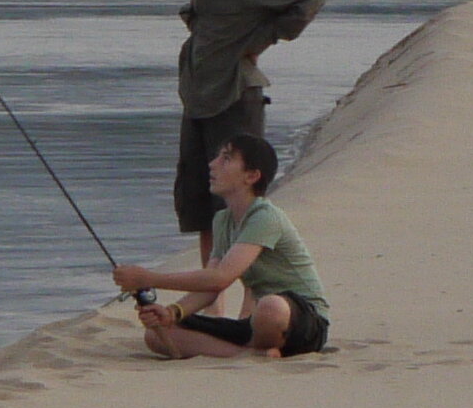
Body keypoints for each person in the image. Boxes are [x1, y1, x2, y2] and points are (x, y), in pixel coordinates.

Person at [171, 0, 320, 251]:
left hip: (235, 97)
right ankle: (211, 295)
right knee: (200, 205)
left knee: (235, 203)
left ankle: (247, 291)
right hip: (197, 97)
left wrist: (263, 39)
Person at [112, 132, 329, 359]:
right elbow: (210, 285)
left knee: (270, 307)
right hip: (257, 325)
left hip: (304, 321)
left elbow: (221, 278)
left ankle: (254, 348)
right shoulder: (222, 220)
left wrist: (149, 278)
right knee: (157, 334)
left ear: (252, 176)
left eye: (226, 158)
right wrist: (172, 313)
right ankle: (248, 354)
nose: (212, 164)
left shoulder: (265, 217)